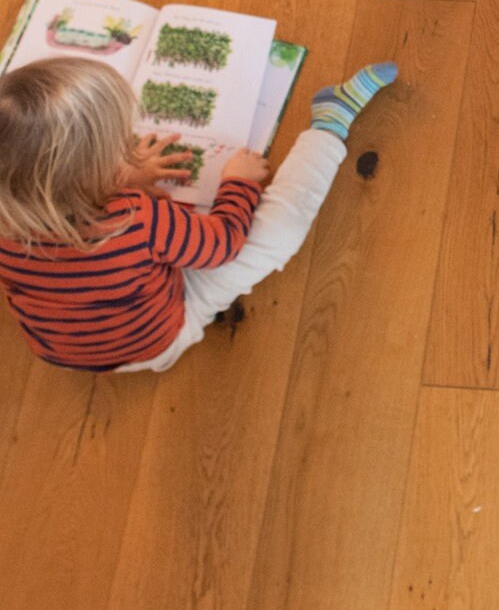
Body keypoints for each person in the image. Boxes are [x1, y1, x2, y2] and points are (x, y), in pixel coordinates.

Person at [0, 56, 397, 373]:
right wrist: (238, 184)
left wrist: (123, 179)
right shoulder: (135, 219)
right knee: (279, 230)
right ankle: (330, 123)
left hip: (57, 352)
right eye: (118, 147)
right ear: (90, 172)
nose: (128, 147)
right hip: (158, 343)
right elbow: (222, 245)